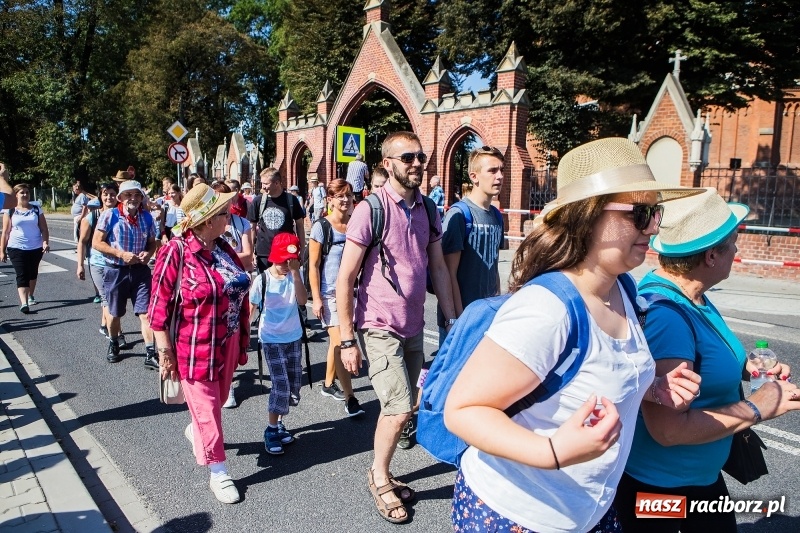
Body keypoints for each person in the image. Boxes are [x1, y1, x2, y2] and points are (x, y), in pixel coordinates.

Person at [443, 137, 705, 532]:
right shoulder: (545, 309)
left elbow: (596, 376)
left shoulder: (624, 289)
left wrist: (650, 387)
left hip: (590, 513)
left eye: (657, 211)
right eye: (640, 212)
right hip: (517, 516)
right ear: (589, 217)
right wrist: (552, 450)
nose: (653, 226)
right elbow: (463, 411)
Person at [614, 187, 800, 532]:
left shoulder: (692, 295)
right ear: (711, 257)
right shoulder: (666, 316)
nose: (737, 248)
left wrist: (752, 369)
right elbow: (667, 430)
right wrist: (757, 406)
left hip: (696, 480)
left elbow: (707, 353)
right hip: (665, 491)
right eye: (732, 242)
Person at [335, 131, 456, 523]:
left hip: (414, 324)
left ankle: (384, 467)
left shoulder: (429, 209)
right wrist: (348, 339)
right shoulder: (371, 209)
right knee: (399, 406)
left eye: (421, 156)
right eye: (408, 158)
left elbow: (437, 267)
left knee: (410, 405)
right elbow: (345, 276)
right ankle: (378, 476)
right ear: (388, 164)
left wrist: (452, 321)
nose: (417, 163)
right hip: (378, 324)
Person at [149, 184, 249, 504]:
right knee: (207, 410)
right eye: (224, 213)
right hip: (195, 346)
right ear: (207, 221)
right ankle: (218, 472)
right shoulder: (176, 251)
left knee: (216, 403)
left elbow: (240, 282)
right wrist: (165, 353)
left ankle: (199, 431)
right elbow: (157, 310)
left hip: (229, 338)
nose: (229, 217)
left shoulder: (222, 246)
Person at [308, 179, 364, 417]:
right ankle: (350, 398)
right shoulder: (322, 226)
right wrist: (317, 299)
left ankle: (328, 384)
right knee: (342, 342)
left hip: (354, 292)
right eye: (339, 196)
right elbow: (313, 265)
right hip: (330, 294)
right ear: (329, 199)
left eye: (348, 195)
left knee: (336, 342)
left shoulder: (355, 225)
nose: (345, 200)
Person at [439, 146, 505, 345]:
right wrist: (459, 319)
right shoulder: (460, 215)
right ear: (474, 176)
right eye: (492, 171)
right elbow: (449, 274)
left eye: (502, 170)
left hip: (487, 316)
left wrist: (498, 307)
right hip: (462, 320)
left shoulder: (496, 216)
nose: (500, 176)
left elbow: (493, 268)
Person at [249, 232, 307, 455]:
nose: (286, 265)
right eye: (283, 261)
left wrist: (295, 273)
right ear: (273, 258)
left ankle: (279, 424)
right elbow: (251, 309)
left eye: (290, 261)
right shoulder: (262, 280)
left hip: (293, 337)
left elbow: (302, 301)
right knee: (280, 386)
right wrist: (244, 337)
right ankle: (271, 429)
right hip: (271, 339)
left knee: (293, 387)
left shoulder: (295, 275)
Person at [92, 180, 158, 367]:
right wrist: (120, 254)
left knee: (146, 313)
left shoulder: (147, 217)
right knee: (114, 313)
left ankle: (150, 353)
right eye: (129, 195)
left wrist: (148, 253)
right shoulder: (110, 215)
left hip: (140, 271)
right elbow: (97, 243)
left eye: (137, 195)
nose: (133, 199)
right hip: (116, 271)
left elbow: (153, 243)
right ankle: (113, 343)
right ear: (121, 198)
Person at [78, 183, 127, 345]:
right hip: (98, 263)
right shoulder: (92, 216)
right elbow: (82, 242)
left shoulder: (123, 215)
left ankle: (104, 325)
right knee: (107, 299)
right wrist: (80, 265)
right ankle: (118, 335)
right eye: (105, 194)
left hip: (117, 264)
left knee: (113, 297)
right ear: (100, 196)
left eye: (113, 194)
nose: (109, 197)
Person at [1, 183, 50, 313]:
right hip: (15, 247)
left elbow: (44, 228)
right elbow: (5, 232)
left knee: (32, 273)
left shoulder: (36, 209)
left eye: (27, 192)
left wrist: (45, 242)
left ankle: (30, 295)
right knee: (22, 273)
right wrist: (2, 250)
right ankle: (24, 302)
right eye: (22, 192)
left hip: (35, 247)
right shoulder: (10, 210)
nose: (25, 195)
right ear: (16, 195)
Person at [247, 167, 305, 273]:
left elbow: (300, 225)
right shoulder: (258, 201)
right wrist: (251, 252)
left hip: (286, 252)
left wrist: (302, 248)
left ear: (277, 183)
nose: (263, 187)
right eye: (262, 183)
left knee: (287, 285)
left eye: (266, 184)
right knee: (265, 285)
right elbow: (252, 228)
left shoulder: (291, 200)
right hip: (264, 252)